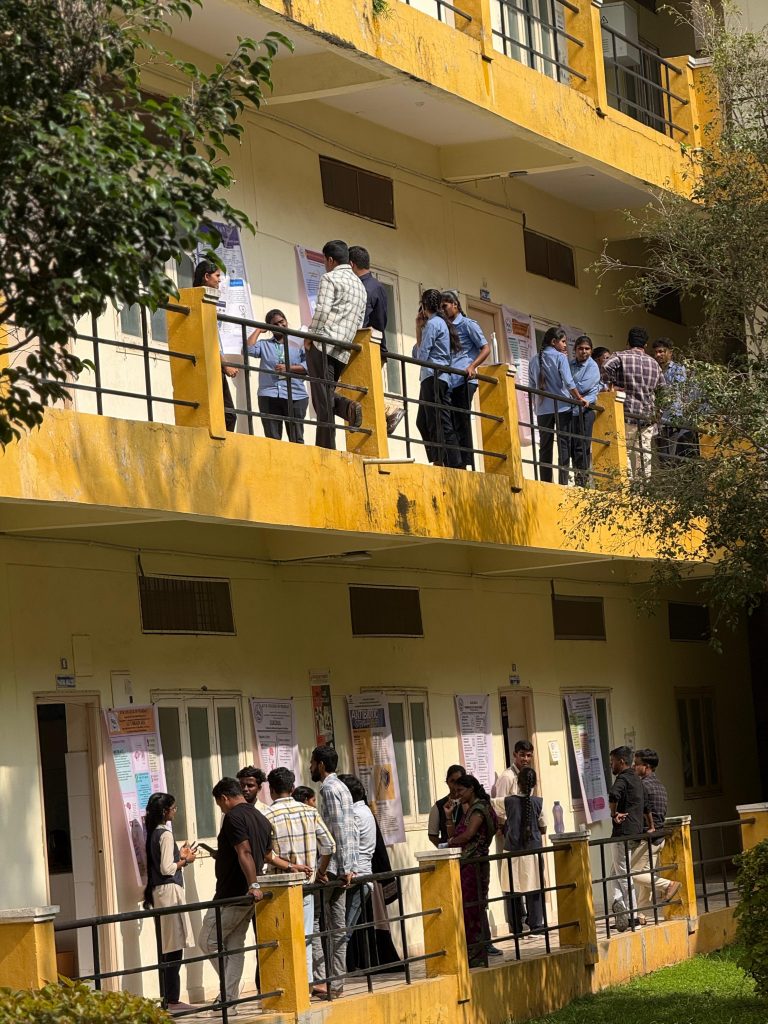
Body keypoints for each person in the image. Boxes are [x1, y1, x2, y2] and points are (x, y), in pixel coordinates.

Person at [198, 778, 271, 1014]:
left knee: (207, 941)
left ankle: (228, 993)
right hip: (247, 895)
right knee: (234, 945)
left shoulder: (233, 817)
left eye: (220, 804)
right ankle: (229, 1002)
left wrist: (254, 884)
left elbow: (244, 851)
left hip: (233, 894)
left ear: (224, 798)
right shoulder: (261, 817)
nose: (221, 809)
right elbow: (266, 855)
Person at [262, 767, 335, 989]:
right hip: (306, 884)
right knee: (305, 938)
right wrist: (320, 872)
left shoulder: (267, 816)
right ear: (293, 788)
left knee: (280, 940)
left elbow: (266, 854)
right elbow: (329, 846)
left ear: (271, 790)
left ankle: (287, 987)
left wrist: (288, 866)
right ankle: (307, 985)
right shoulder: (309, 812)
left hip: (279, 888)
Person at [305, 240, 366, 450]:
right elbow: (359, 321)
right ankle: (348, 407)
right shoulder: (360, 286)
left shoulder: (329, 278)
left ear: (330, 260)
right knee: (326, 395)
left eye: (325, 261)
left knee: (321, 401)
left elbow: (322, 311)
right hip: (343, 349)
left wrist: (310, 336)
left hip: (323, 345)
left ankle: (326, 448)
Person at [309, 745, 359, 999]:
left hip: (332, 868)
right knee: (337, 925)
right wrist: (350, 866)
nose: (310, 768)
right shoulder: (343, 787)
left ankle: (322, 980)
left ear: (320, 764)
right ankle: (336, 981)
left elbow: (338, 830)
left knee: (315, 920)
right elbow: (351, 830)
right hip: (342, 867)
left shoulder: (329, 788)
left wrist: (339, 867)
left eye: (311, 763)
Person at [142, 793, 195, 1012]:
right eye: (173, 808)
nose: (175, 811)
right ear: (165, 811)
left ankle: (169, 998)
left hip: (161, 892)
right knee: (173, 946)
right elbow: (166, 868)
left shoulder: (153, 833)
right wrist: (185, 860)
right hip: (169, 890)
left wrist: (179, 856)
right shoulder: (164, 834)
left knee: (169, 945)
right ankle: (172, 999)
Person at [350, 245, 403, 437]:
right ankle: (386, 411)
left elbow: (379, 321)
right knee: (361, 390)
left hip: (370, 345)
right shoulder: (371, 286)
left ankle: (390, 409)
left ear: (351, 264)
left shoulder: (369, 287)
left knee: (363, 389)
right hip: (367, 345)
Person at [446, 774, 498, 967]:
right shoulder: (468, 810)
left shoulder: (479, 809)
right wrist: (448, 816)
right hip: (466, 865)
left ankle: (476, 955)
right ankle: (470, 954)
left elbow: (468, 835)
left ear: (471, 789)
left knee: (473, 909)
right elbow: (455, 835)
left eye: (461, 790)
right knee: (467, 908)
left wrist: (450, 843)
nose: (458, 794)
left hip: (474, 865)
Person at [528, 327, 588, 484]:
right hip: (562, 407)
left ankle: (545, 481)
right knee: (564, 444)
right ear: (554, 342)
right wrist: (579, 397)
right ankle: (563, 482)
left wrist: (536, 405)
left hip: (542, 409)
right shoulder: (560, 357)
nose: (565, 345)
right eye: (563, 341)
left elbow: (531, 386)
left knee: (545, 446)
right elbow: (569, 382)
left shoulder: (533, 360)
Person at [601, 327, 662, 479]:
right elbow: (662, 388)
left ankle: (627, 485)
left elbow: (606, 366)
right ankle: (643, 487)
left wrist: (610, 386)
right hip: (647, 415)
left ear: (628, 342)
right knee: (644, 453)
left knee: (625, 451)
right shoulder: (654, 363)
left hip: (626, 412)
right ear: (645, 345)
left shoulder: (620, 356)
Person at [441, 290, 490, 469]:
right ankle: (456, 461)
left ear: (455, 305)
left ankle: (466, 462)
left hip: (465, 379)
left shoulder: (468, 324)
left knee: (462, 419)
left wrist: (472, 366)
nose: (443, 310)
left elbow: (486, 348)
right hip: (451, 380)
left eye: (445, 306)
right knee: (451, 420)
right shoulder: (445, 327)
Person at [413, 289, 463, 469]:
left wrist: (421, 329)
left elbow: (420, 355)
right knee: (424, 421)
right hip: (432, 377)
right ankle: (439, 458)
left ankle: (450, 462)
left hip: (434, 377)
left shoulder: (434, 324)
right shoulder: (438, 323)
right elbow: (419, 353)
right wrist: (419, 328)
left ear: (424, 306)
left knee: (439, 421)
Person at [246, 309, 309, 443]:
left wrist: (289, 368)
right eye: (275, 324)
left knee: (296, 440)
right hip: (269, 394)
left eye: (282, 321)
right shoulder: (265, 345)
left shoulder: (298, 343)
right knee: (272, 440)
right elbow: (247, 350)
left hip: (295, 395)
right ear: (269, 327)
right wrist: (258, 330)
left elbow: (309, 365)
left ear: (286, 321)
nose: (280, 325)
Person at [630, 749, 682, 912]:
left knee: (630, 873)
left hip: (648, 838)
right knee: (646, 875)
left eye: (636, 764)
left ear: (646, 767)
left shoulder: (643, 786)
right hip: (659, 838)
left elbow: (640, 812)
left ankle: (668, 885)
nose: (633, 767)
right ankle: (641, 914)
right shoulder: (660, 785)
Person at [608, 747, 652, 933]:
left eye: (612, 762)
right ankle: (619, 903)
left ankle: (632, 915)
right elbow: (647, 805)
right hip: (636, 831)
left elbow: (613, 794)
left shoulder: (623, 778)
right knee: (614, 872)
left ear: (621, 762)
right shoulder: (637, 779)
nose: (611, 765)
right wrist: (651, 826)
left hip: (622, 833)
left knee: (623, 874)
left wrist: (613, 814)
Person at [338, 774, 378, 971]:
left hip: (356, 878)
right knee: (345, 930)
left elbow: (350, 846)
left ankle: (335, 977)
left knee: (342, 932)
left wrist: (347, 870)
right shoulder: (365, 811)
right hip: (363, 876)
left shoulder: (354, 814)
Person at [194, 260, 239, 432]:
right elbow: (208, 339)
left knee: (227, 415)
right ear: (206, 277)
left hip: (215, 362)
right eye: (217, 276)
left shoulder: (208, 302)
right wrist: (225, 364)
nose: (219, 280)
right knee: (228, 415)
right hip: (209, 364)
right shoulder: (199, 301)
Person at [502, 767, 547, 937]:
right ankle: (536, 925)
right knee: (534, 887)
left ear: (517, 782)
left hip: (511, 851)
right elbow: (543, 827)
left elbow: (495, 808)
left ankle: (516, 927)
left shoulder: (507, 801)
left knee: (511, 888)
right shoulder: (539, 802)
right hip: (532, 850)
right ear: (535, 784)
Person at [652, 338, 699, 463]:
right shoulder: (654, 370)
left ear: (670, 352)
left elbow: (677, 391)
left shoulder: (677, 369)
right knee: (663, 458)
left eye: (661, 351)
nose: (658, 355)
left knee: (673, 457)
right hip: (659, 420)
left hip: (673, 419)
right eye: (656, 352)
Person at [568, 335, 602, 486]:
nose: (584, 352)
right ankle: (577, 480)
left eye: (587, 349)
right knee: (571, 446)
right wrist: (569, 387)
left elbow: (582, 387)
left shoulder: (592, 366)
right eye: (580, 348)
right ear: (575, 350)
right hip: (571, 410)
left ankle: (582, 482)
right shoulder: (570, 364)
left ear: (591, 350)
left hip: (585, 411)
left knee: (582, 447)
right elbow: (563, 383)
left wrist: (569, 386)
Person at [492, 741, 535, 825]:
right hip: (510, 826)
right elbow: (499, 807)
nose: (526, 759)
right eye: (522, 755)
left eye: (528, 755)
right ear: (515, 755)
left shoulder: (529, 776)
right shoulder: (507, 776)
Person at [427, 764, 465, 847]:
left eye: (459, 780)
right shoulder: (438, 806)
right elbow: (432, 836)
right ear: (447, 782)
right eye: (452, 781)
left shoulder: (470, 802)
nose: (455, 785)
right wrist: (445, 847)